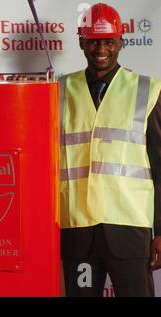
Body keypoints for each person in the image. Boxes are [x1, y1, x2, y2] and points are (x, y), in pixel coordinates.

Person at [59, 3, 161, 297]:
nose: (100, 48)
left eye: (108, 41)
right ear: (81, 42)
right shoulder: (59, 91)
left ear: (121, 42)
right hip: (78, 231)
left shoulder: (148, 90)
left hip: (128, 226)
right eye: (93, 41)